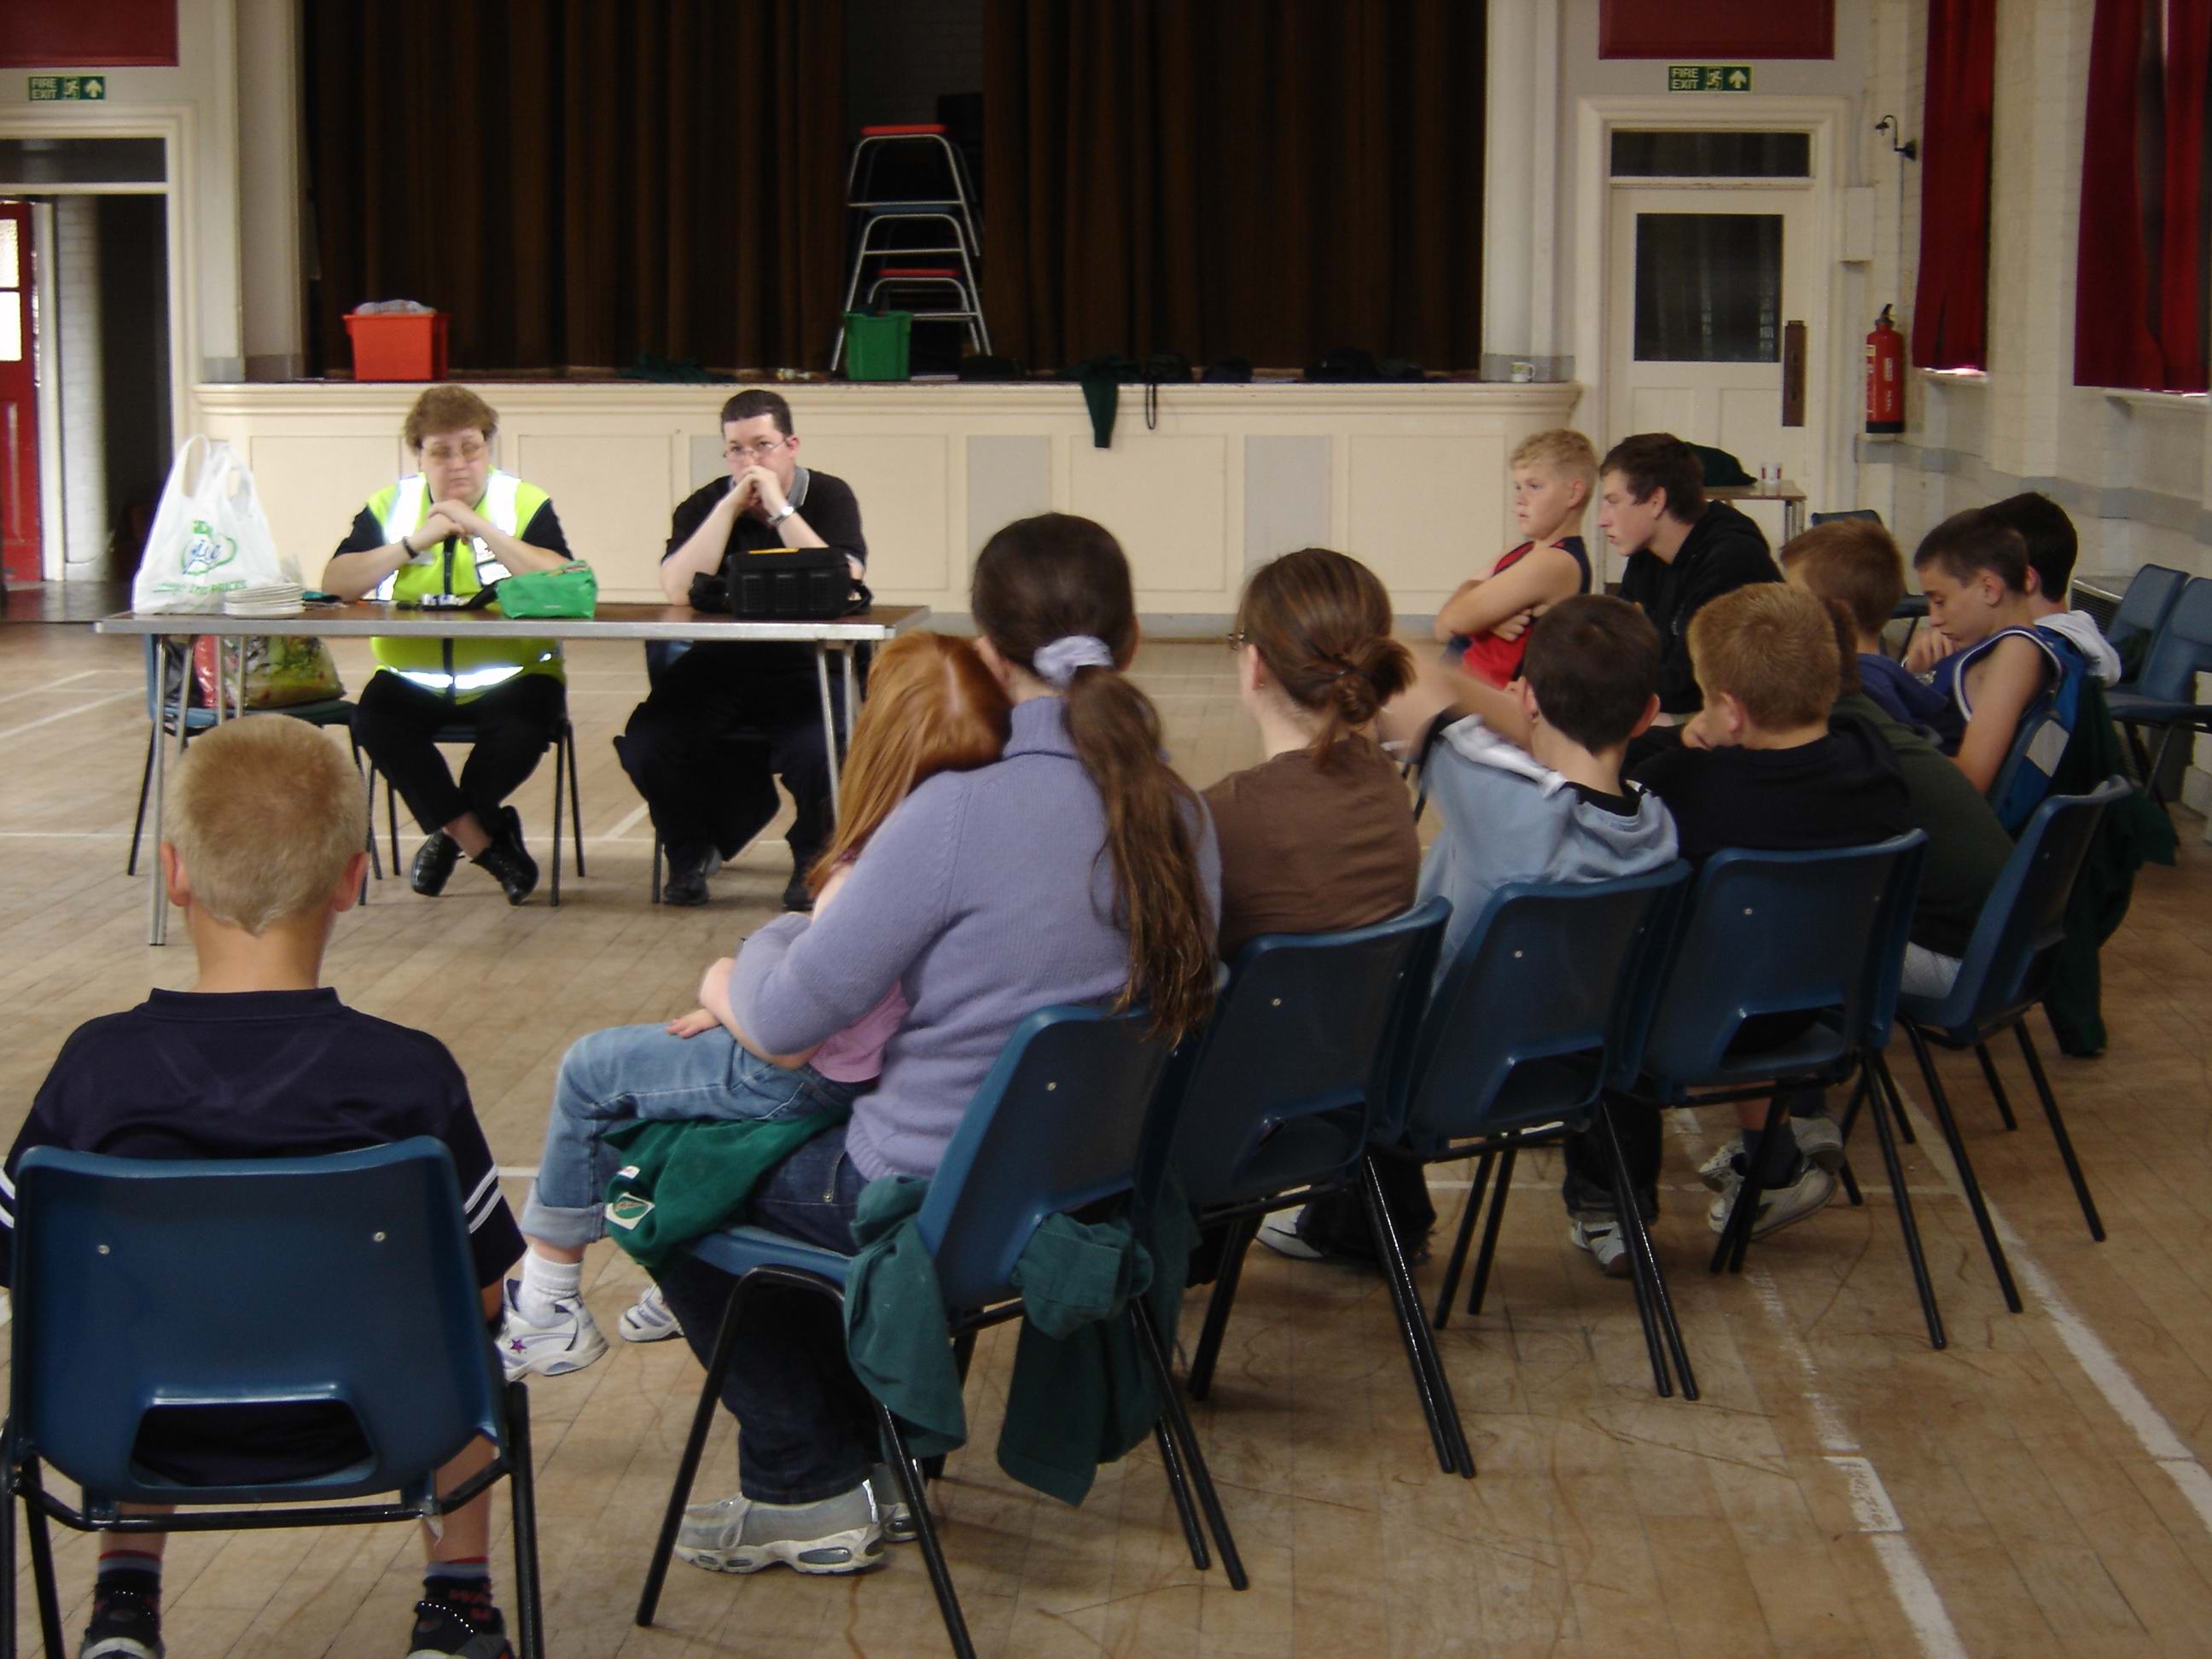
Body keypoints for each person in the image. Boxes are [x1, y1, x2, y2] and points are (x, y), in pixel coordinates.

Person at [640, 514, 1220, 1580]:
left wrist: (732, 974)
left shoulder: (955, 814)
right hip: (1086, 1187)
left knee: (651, 1175)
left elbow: (785, 1023)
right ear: (1129, 640)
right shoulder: (1180, 811)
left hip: (923, 1195)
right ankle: (869, 1451)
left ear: (988, 654)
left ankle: (808, 1479)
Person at [0, 718, 527, 1659]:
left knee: (117, 1302)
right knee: (467, 1322)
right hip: (380, 1424)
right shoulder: (409, 1077)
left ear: (174, 873)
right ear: (353, 882)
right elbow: (481, 1292)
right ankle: (456, 1605)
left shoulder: (94, 1072)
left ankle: (123, 1601)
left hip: (128, 1430)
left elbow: (24, 1274)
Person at [499, 632, 1011, 1376]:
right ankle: (680, 1290)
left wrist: (724, 982)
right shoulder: (971, 848)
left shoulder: (873, 868)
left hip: (804, 1075)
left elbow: (788, 1038)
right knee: (667, 1092)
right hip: (871, 1069)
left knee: (595, 1074)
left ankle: (547, 1304)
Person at [1374, 597, 1680, 1277]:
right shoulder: (1660, 832)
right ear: (1647, 713)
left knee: (1365, 1016)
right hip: (1580, 1069)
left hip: (1446, 1072)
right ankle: (1613, 1209)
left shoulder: (1504, 807)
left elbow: (1407, 684)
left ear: (1528, 697)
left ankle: (1371, 1228)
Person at [1624, 585, 1912, 1243]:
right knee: (1754, 945)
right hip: (1827, 1009)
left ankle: (1615, 1201)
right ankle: (1770, 1155)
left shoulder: (1689, 789)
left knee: (1620, 957)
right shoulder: (1873, 757)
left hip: (1707, 1028)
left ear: (1728, 708)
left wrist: (1686, 745)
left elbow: (1634, 776)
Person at [1196, 548, 1423, 1265]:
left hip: (1242, 1109)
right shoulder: (1387, 786)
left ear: (1254, 664)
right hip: (1347, 1085)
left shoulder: (1225, 817)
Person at [323, 382, 579, 906]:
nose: (458, 463)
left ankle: (451, 834)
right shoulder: (391, 506)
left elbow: (565, 582)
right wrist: (416, 540)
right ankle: (485, 840)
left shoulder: (522, 502)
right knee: (373, 720)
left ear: (488, 448)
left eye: (471, 448)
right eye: (441, 452)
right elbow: (336, 582)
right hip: (411, 680)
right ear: (419, 455)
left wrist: (481, 526)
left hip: (515, 677)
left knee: (521, 731)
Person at [619, 389, 870, 910]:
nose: (750, 461)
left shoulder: (828, 496)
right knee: (648, 742)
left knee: (821, 746)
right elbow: (677, 589)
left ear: (791, 444)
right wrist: (730, 507)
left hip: (803, 666)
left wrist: (778, 510)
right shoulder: (704, 503)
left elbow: (844, 577)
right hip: (719, 666)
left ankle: (812, 856)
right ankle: (689, 851)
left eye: (763, 446)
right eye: (736, 449)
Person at [1780, 530, 2015, 1001]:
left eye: (1790, 599)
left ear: (1833, 616)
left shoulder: (1853, 712)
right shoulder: (1882, 685)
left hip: (1963, 960)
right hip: (2001, 947)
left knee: (1765, 930)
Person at [1912, 508, 2090, 829]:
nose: (1934, 618)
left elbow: (1972, 780)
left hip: (1949, 837)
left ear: (1989, 589)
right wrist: (1912, 674)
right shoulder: (1989, 647)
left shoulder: (2018, 651)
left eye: (1940, 601)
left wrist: (1884, 753)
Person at [1602, 432, 1780, 722]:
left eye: (1613, 501)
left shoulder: (1732, 560)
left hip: (1742, 723)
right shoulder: (1647, 552)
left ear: (1656, 500)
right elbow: (1617, 640)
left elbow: (1689, 683)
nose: (1602, 519)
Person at [1906, 492, 2122, 685]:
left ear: (2024, 579)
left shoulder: (2022, 656)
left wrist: (1918, 676)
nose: (1935, 619)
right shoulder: (2066, 647)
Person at [1434, 428, 1596, 686]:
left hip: (1493, 712)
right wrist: (1487, 619)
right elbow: (1442, 627)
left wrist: (1477, 615)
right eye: (1518, 486)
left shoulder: (1557, 562)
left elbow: (1454, 620)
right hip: (1460, 691)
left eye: (1535, 486)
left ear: (1573, 493)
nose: (1520, 499)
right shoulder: (1517, 552)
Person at [1781, 516, 1961, 746]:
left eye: (1794, 597)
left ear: (1836, 612)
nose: (1785, 607)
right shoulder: (1881, 676)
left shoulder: (1858, 695)